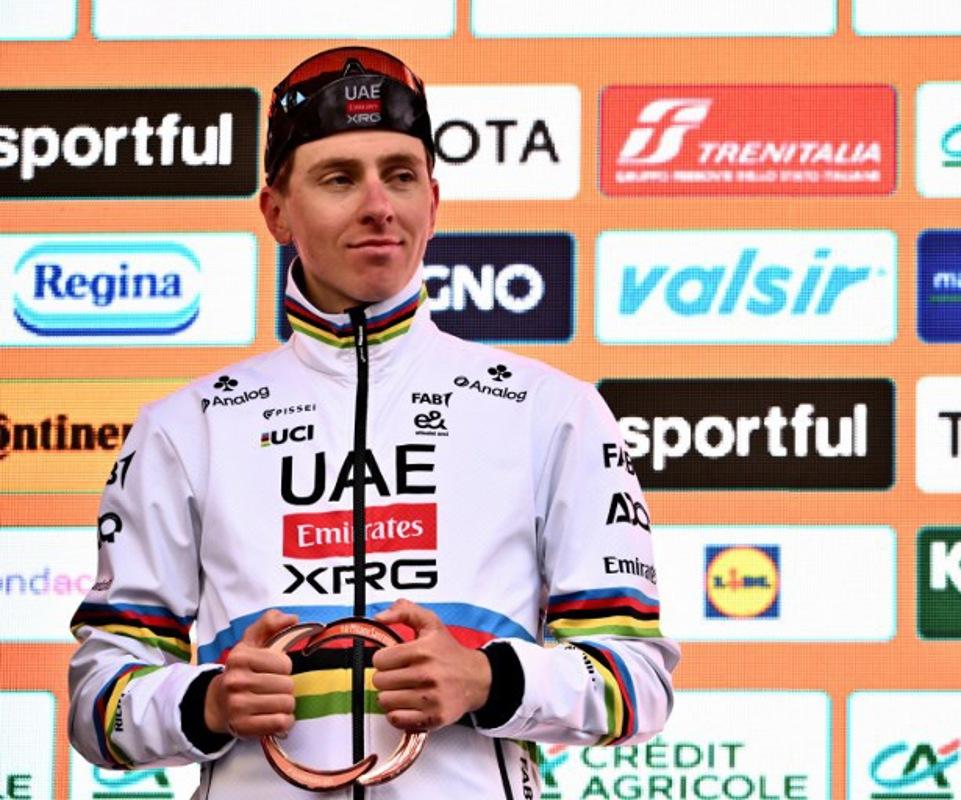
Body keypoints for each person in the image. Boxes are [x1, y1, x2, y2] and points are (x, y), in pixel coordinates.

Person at [67, 46, 677, 797]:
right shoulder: (186, 426)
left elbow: (639, 683)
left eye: (400, 174)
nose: (378, 206)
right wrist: (209, 702)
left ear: (433, 199)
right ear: (276, 211)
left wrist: (489, 679)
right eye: (338, 178)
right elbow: (98, 704)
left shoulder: (552, 411)